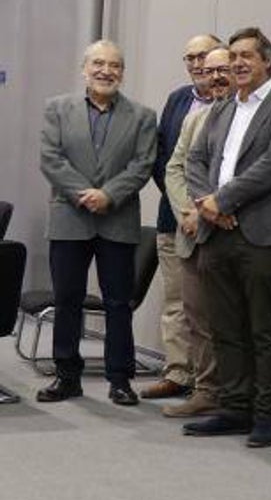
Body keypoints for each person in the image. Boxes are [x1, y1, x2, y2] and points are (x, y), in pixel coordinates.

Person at [181, 26, 271, 448]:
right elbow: (196, 159)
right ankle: (234, 407)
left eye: (246, 56)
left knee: (265, 329)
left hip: (263, 235)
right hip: (216, 233)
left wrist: (223, 201)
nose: (237, 63)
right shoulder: (221, 108)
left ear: (267, 61)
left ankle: (268, 415)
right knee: (225, 325)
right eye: (233, 55)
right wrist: (208, 205)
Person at [36, 39, 157, 406]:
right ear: (84, 68)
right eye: (99, 63)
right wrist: (85, 194)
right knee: (67, 299)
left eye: (115, 65)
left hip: (117, 219)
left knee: (118, 303)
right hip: (69, 217)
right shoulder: (56, 108)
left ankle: (120, 379)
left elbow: (143, 164)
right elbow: (50, 159)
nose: (106, 71)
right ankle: (66, 376)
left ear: (122, 72)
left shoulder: (143, 116)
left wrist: (109, 195)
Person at [141, 33, 220, 401]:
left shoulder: (229, 104)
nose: (195, 64)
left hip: (218, 221)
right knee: (175, 303)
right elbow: (163, 159)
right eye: (188, 58)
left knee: (208, 309)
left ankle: (210, 383)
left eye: (202, 55)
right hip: (174, 219)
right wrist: (184, 208)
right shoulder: (177, 100)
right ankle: (178, 372)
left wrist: (201, 211)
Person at [161, 46, 232, 418]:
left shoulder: (248, 116)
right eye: (210, 69)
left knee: (230, 320)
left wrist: (204, 212)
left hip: (228, 231)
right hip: (190, 229)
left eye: (224, 68)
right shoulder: (194, 118)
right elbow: (175, 167)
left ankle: (232, 395)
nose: (216, 75)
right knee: (197, 318)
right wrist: (186, 211)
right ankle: (205, 390)